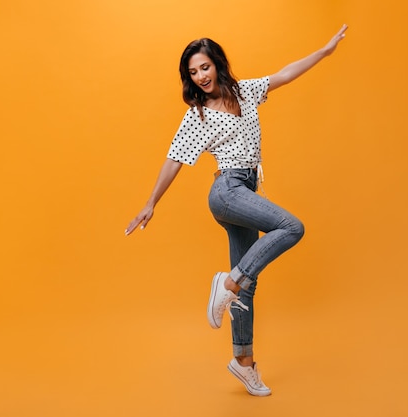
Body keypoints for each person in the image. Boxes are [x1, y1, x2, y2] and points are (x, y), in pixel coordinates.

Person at [125, 24, 348, 396]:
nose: (201, 77)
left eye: (204, 68)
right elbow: (174, 159)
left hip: (245, 188)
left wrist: (323, 53)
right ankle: (226, 284)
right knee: (291, 227)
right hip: (227, 191)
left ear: (217, 64)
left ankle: (244, 362)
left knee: (248, 286)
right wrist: (150, 203)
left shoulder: (245, 92)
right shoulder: (198, 115)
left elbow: (285, 74)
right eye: (193, 72)